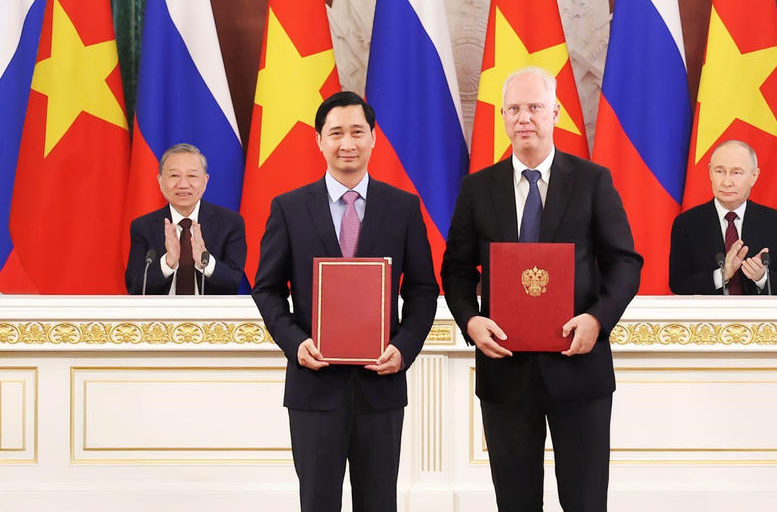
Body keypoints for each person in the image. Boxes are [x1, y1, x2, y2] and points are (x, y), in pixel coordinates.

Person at [442, 66, 642, 512]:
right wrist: (471, 321)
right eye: (514, 109)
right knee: (516, 502)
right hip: (505, 371)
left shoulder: (592, 181)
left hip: (579, 366)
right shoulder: (477, 189)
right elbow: (455, 270)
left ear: (555, 113)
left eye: (534, 107)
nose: (524, 117)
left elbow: (625, 263)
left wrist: (597, 320)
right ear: (502, 116)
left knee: (585, 502)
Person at [251, 91, 438, 512]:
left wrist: (403, 348)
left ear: (373, 138)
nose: (347, 143)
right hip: (314, 387)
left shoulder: (403, 207)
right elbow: (267, 289)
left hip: (381, 385)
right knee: (318, 502)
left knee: (379, 503)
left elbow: (423, 289)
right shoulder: (289, 208)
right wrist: (296, 343)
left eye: (357, 132)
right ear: (319, 140)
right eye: (336, 133)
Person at [669, 139, 777, 295]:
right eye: (719, 171)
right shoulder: (687, 224)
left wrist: (761, 277)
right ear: (710, 172)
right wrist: (722, 275)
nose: (727, 182)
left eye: (736, 173)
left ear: (754, 176)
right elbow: (678, 284)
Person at [125, 143, 246, 295]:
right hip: (161, 311)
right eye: (174, 175)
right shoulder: (143, 226)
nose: (183, 184)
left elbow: (233, 283)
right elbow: (135, 286)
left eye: (192, 176)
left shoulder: (230, 223)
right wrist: (167, 263)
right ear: (160, 181)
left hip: (211, 311)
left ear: (205, 181)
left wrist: (206, 261)